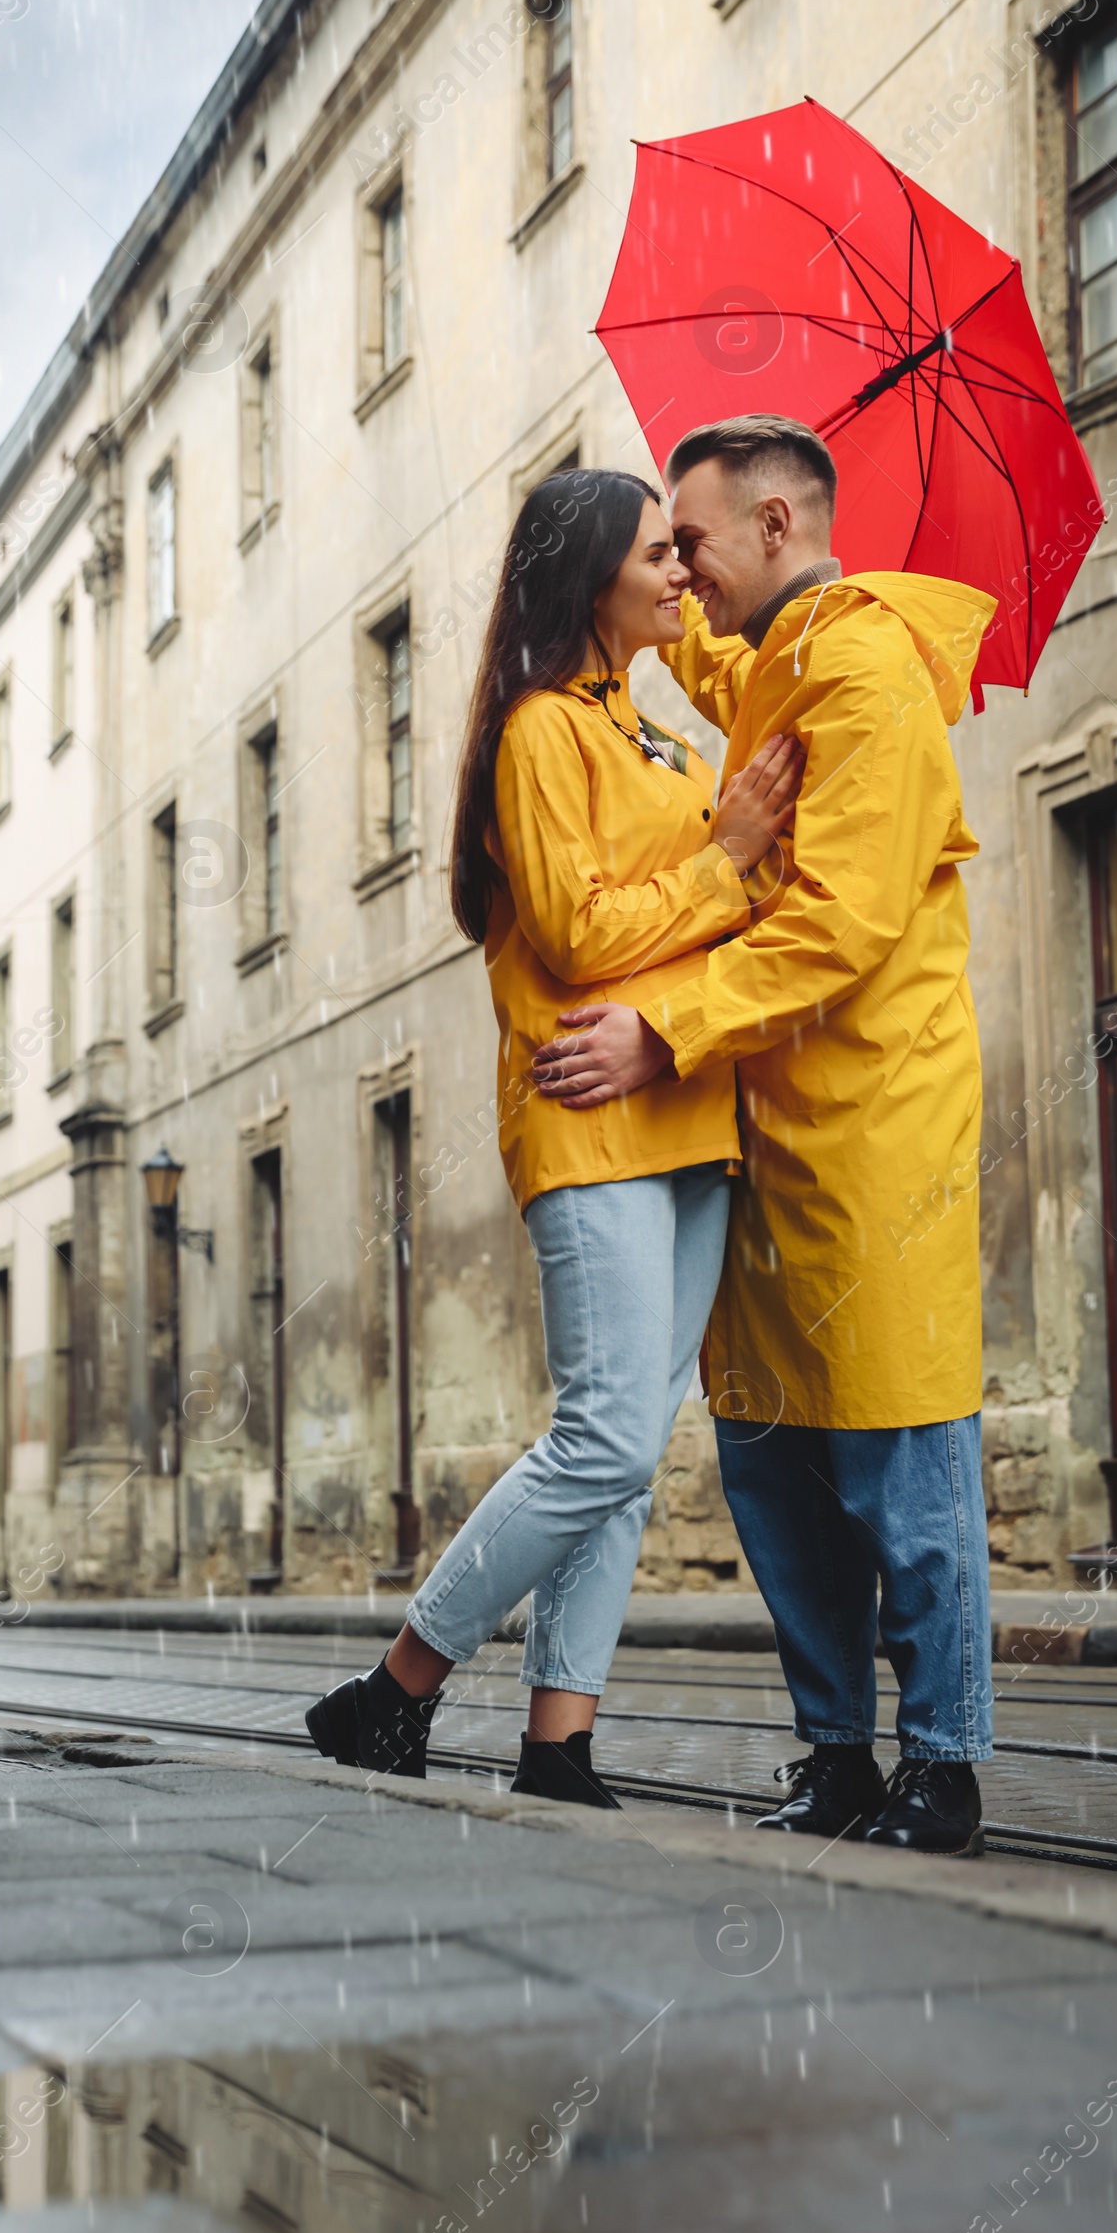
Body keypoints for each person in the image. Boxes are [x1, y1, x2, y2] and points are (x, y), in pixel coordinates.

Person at [532, 415, 998, 1856]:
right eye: (663, 549)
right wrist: (628, 598)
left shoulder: (860, 673)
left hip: (873, 1124)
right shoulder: (776, 663)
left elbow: (843, 921)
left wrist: (662, 1030)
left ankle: (944, 1766)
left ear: (779, 529)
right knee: (776, 1459)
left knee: (900, 1455)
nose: (682, 568)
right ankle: (837, 1757)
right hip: (772, 1125)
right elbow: (712, 658)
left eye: (694, 541)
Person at [306, 467, 804, 1805]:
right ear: (591, 576)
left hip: (693, 1120)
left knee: (631, 1452)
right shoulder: (541, 732)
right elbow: (582, 934)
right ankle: (395, 1687)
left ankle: (558, 1738)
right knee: (604, 1438)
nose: (681, 572)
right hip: (589, 1119)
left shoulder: (661, 740)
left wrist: (740, 846)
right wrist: (728, 855)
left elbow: (722, 924)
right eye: (658, 552)